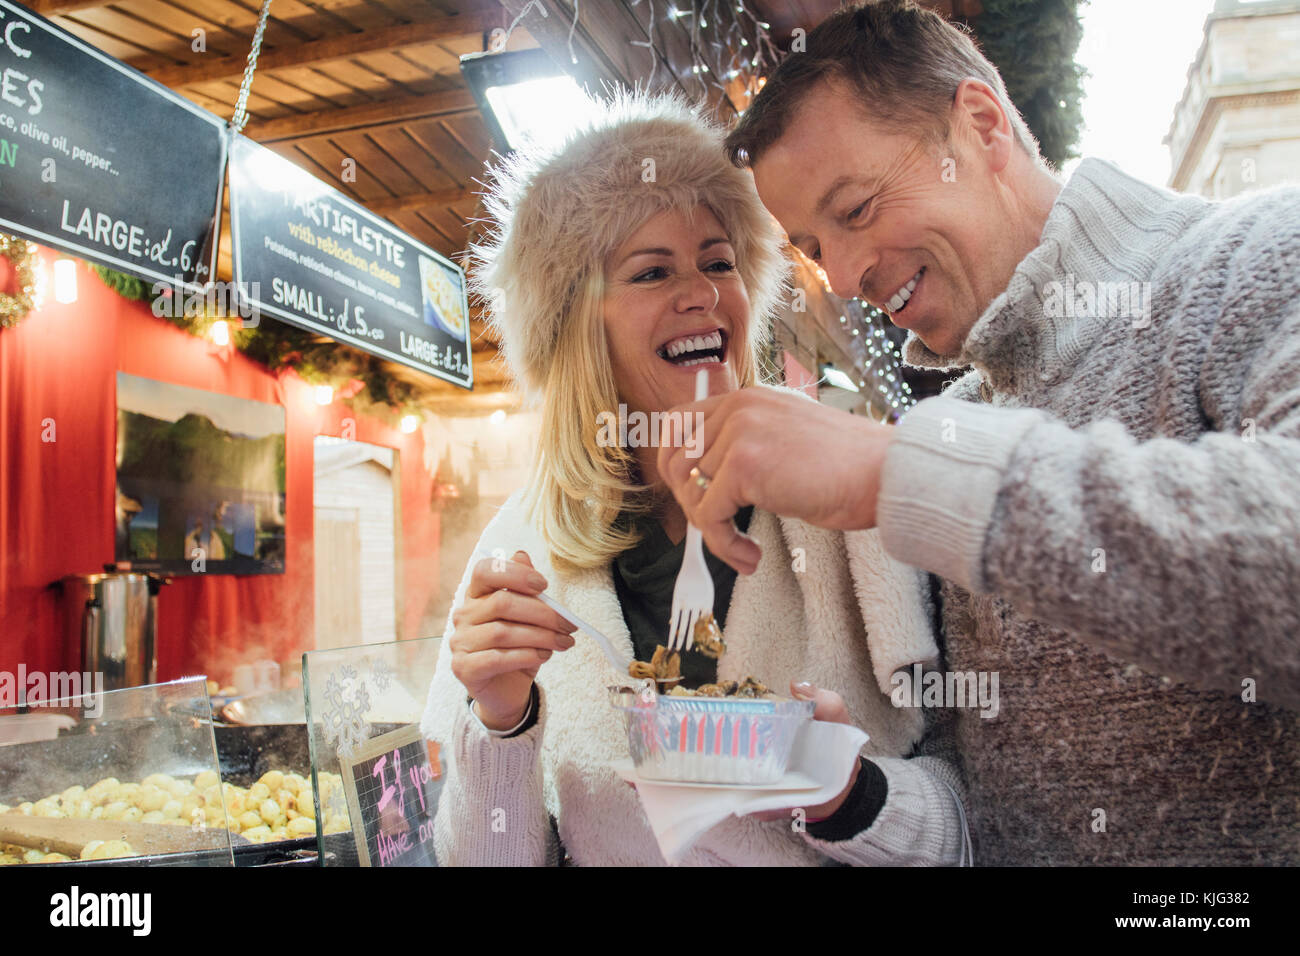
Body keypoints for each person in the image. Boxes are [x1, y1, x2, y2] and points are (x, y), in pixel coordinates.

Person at [656, 0, 1300, 865]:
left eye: (854, 209)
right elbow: (990, 808)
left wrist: (896, 476)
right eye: (812, 246)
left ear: (982, 126)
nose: (842, 279)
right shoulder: (955, 420)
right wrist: (851, 792)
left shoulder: (1258, 258)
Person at [420, 92, 968, 866]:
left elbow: (973, 823)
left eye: (719, 262)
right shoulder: (520, 550)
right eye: (652, 272)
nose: (704, 293)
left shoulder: (850, 497)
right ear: (579, 324)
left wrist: (849, 796)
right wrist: (501, 720)